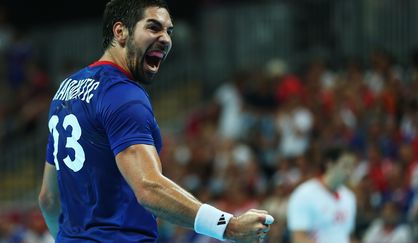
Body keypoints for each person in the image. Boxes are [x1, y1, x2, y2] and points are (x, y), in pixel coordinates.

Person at [37, 0, 274, 242]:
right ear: (120, 32)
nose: (166, 39)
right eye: (153, 27)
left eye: (168, 31)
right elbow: (148, 187)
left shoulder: (66, 91)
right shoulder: (122, 93)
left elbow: (48, 199)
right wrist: (228, 226)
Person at [286, 147, 357, 243]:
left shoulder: (349, 198)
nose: (349, 172)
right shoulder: (304, 195)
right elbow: (298, 238)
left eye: (351, 167)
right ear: (329, 163)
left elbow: (346, 236)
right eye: (345, 166)